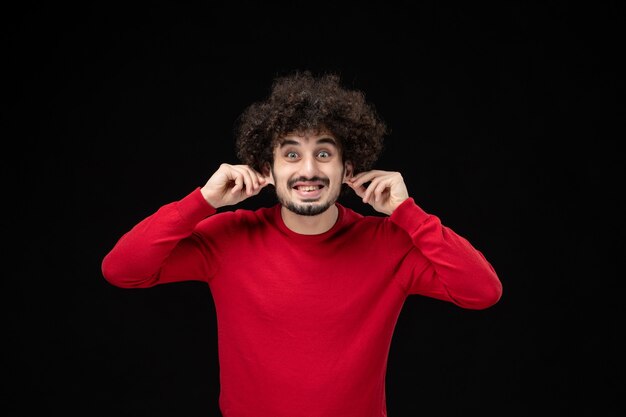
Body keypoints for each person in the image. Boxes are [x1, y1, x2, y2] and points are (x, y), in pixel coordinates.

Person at [101, 70, 503, 417]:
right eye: (291, 154)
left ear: (347, 167)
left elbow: (482, 291)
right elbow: (122, 270)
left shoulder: (388, 244)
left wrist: (407, 212)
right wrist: (202, 202)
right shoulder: (228, 238)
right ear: (267, 169)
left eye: (323, 153)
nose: (308, 170)